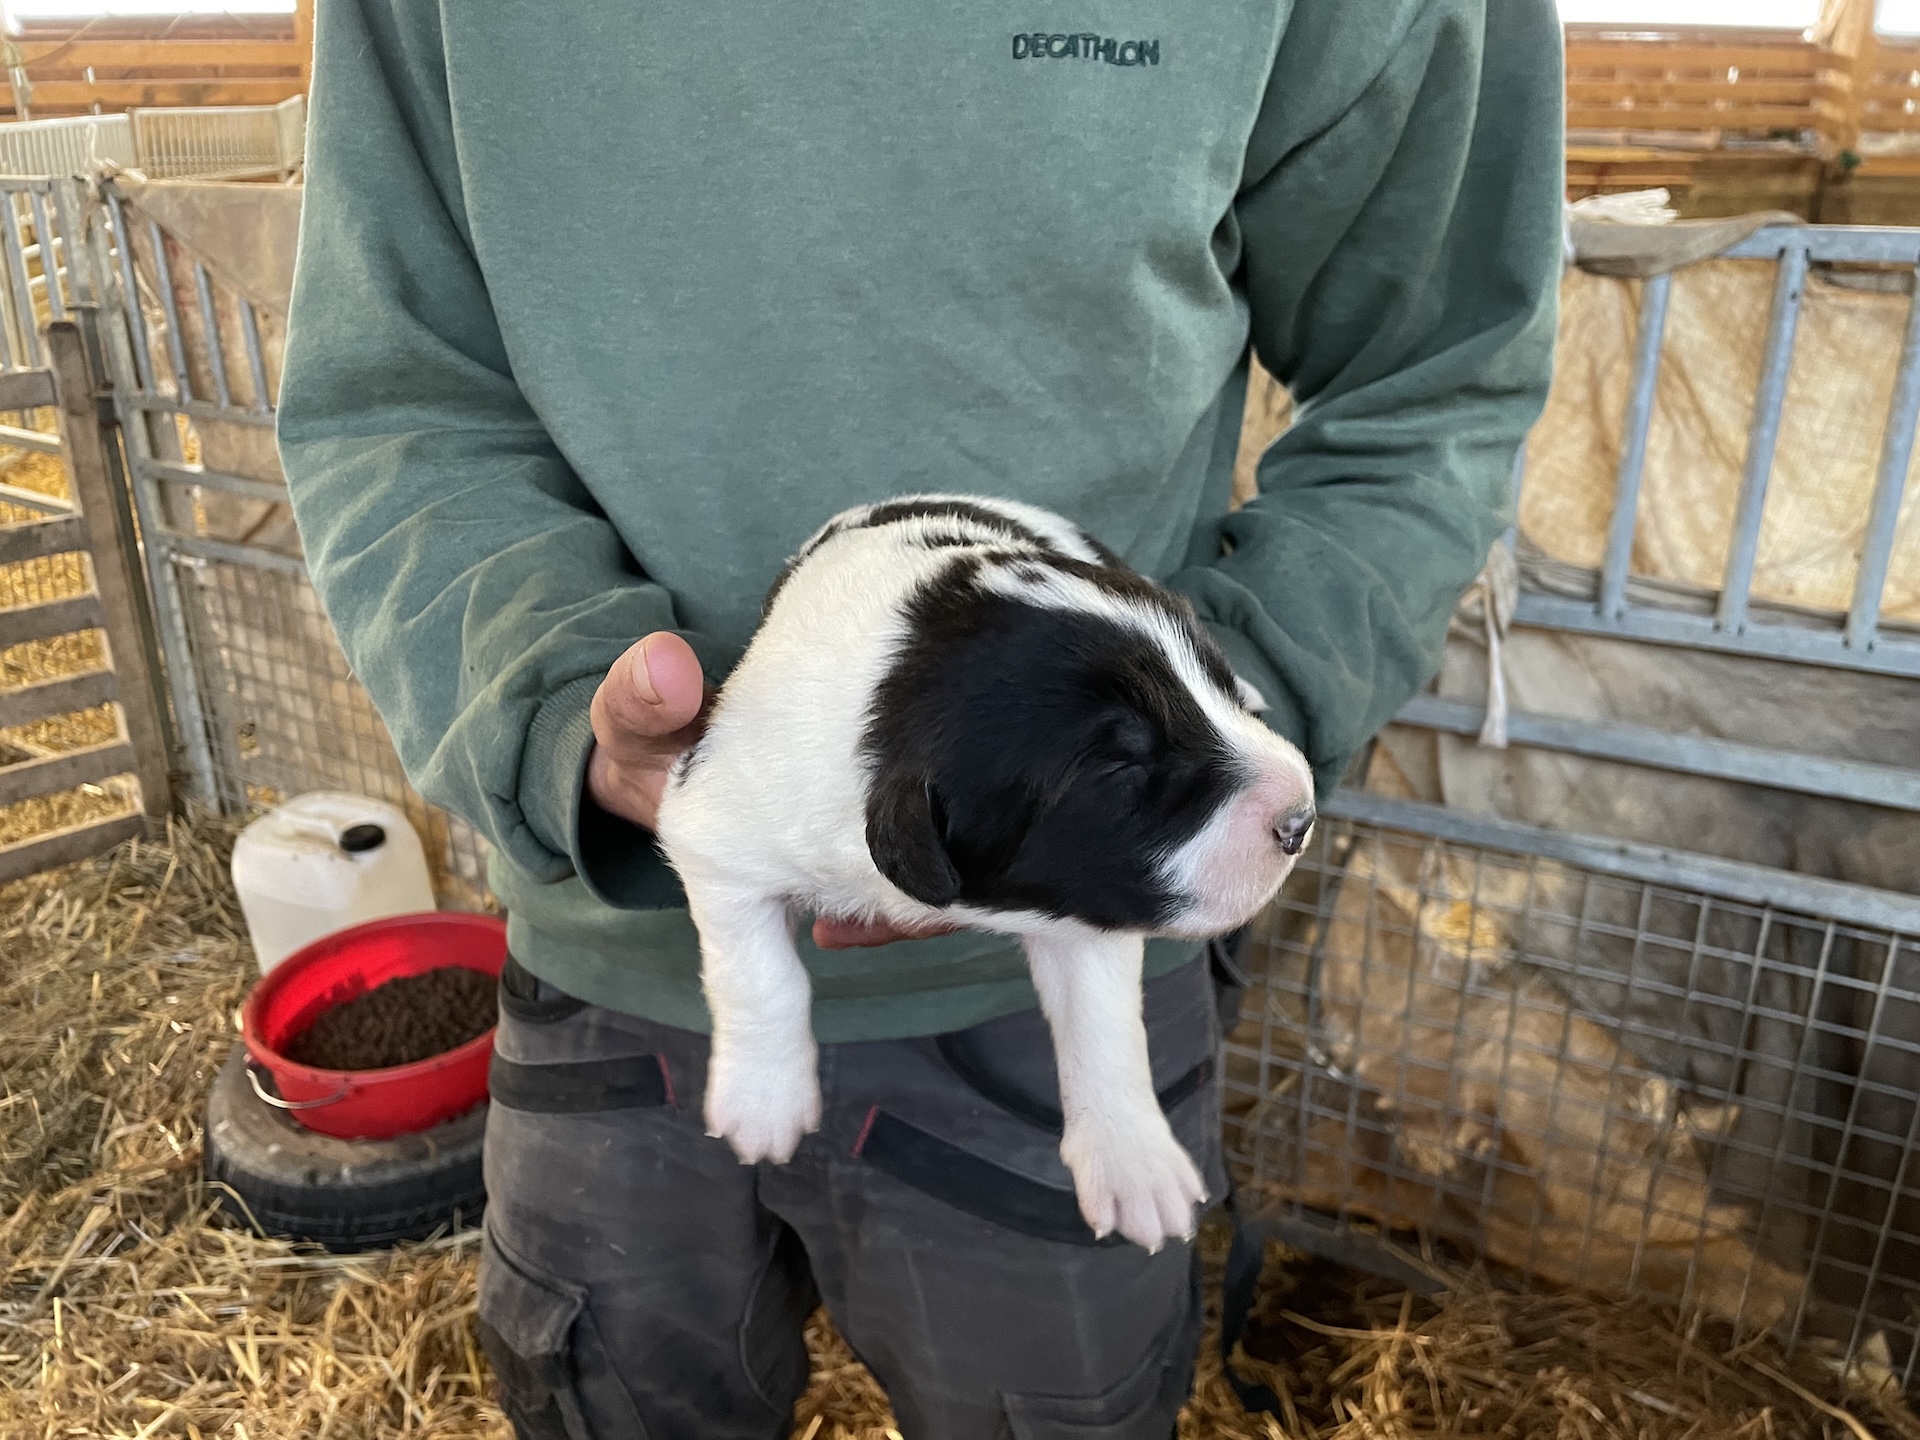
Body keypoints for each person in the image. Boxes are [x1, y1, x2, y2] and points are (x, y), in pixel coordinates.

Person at [278, 1, 1561, 1434]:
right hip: (612, 964)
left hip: (1049, 985)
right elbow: (398, 394)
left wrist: (1249, 682)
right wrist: (549, 712)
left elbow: (1439, 368)